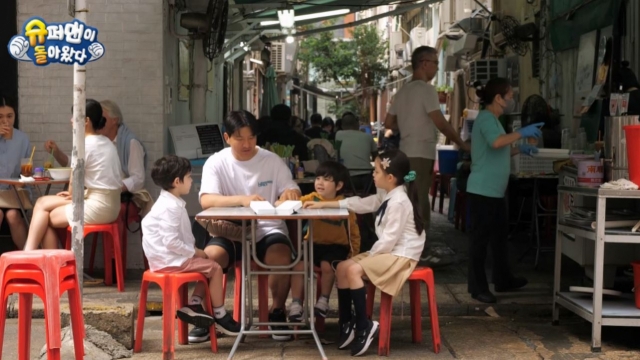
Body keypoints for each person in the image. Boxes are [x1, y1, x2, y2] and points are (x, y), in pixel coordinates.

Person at [187, 110, 303, 343]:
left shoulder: (271, 160)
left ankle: (277, 312)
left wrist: (291, 193)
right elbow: (206, 200)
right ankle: (204, 314)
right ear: (227, 137)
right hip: (231, 230)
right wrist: (242, 199)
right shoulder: (217, 162)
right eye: (240, 138)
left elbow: (291, 189)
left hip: (268, 228)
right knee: (211, 256)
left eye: (251, 138)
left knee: (281, 256)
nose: (247, 144)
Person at [304, 149, 425, 357]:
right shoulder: (386, 193)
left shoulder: (399, 202)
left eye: (376, 171)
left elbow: (388, 241)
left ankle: (363, 325)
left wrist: (367, 258)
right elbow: (361, 203)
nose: (373, 174)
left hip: (401, 256)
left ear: (390, 177)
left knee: (352, 270)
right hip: (389, 249)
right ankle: (346, 324)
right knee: (342, 267)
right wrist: (324, 203)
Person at [383, 46, 469, 267]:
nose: (436, 67)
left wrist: (408, 123)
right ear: (423, 63)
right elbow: (440, 121)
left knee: (409, 198)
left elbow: (389, 123)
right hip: (420, 155)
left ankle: (406, 248)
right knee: (419, 200)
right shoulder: (426, 90)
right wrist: (461, 143)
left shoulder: (402, 92)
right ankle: (420, 252)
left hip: (405, 155)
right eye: (435, 63)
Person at [142, 155, 240, 335]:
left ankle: (195, 304)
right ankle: (220, 315)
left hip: (162, 260)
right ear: (177, 181)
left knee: (208, 265)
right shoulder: (171, 207)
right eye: (189, 177)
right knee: (215, 268)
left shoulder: (164, 202)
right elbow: (170, 241)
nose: (191, 180)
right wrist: (194, 252)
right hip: (172, 260)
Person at [466, 78, 543, 303]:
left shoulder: (495, 120)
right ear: (498, 98)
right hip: (482, 191)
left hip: (494, 192)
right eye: (509, 96)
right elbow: (496, 143)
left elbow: (499, 149)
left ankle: (503, 279)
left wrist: (520, 149)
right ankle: (477, 287)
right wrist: (522, 133)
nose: (512, 100)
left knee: (500, 239)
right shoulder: (487, 119)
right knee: (479, 242)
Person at [24, 99, 122, 250]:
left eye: (74, 116)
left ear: (86, 120)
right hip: (112, 206)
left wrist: (73, 194)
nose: (71, 120)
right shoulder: (106, 142)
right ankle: (35, 255)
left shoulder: (83, 145)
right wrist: (76, 195)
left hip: (98, 206)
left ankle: (33, 255)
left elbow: (73, 188)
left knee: (45, 214)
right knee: (42, 205)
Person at [283, 161, 361, 321]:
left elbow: (354, 234)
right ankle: (296, 304)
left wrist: (354, 255)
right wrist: (286, 200)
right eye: (318, 178)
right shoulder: (311, 198)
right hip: (312, 244)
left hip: (337, 247)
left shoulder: (344, 205)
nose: (319, 182)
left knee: (327, 266)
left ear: (338, 185)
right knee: (298, 265)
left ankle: (324, 301)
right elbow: (288, 205)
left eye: (326, 179)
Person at [45, 100, 146, 193]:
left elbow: (138, 179)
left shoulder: (130, 142)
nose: (99, 121)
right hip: (100, 194)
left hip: (122, 196)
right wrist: (57, 153)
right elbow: (78, 163)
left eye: (102, 118)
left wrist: (113, 188)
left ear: (115, 120)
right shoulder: (100, 140)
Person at [0, 94, 30, 249]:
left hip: (13, 193)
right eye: (0, 117)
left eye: (10, 116)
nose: (6, 121)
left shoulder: (22, 138)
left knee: (13, 215)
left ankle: (26, 256)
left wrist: (25, 178)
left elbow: (26, 170)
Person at [335, 113, 377, 194]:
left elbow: (336, 152)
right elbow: (377, 157)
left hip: (347, 179)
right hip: (368, 179)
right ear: (357, 124)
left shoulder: (338, 135)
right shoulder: (368, 137)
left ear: (342, 126)